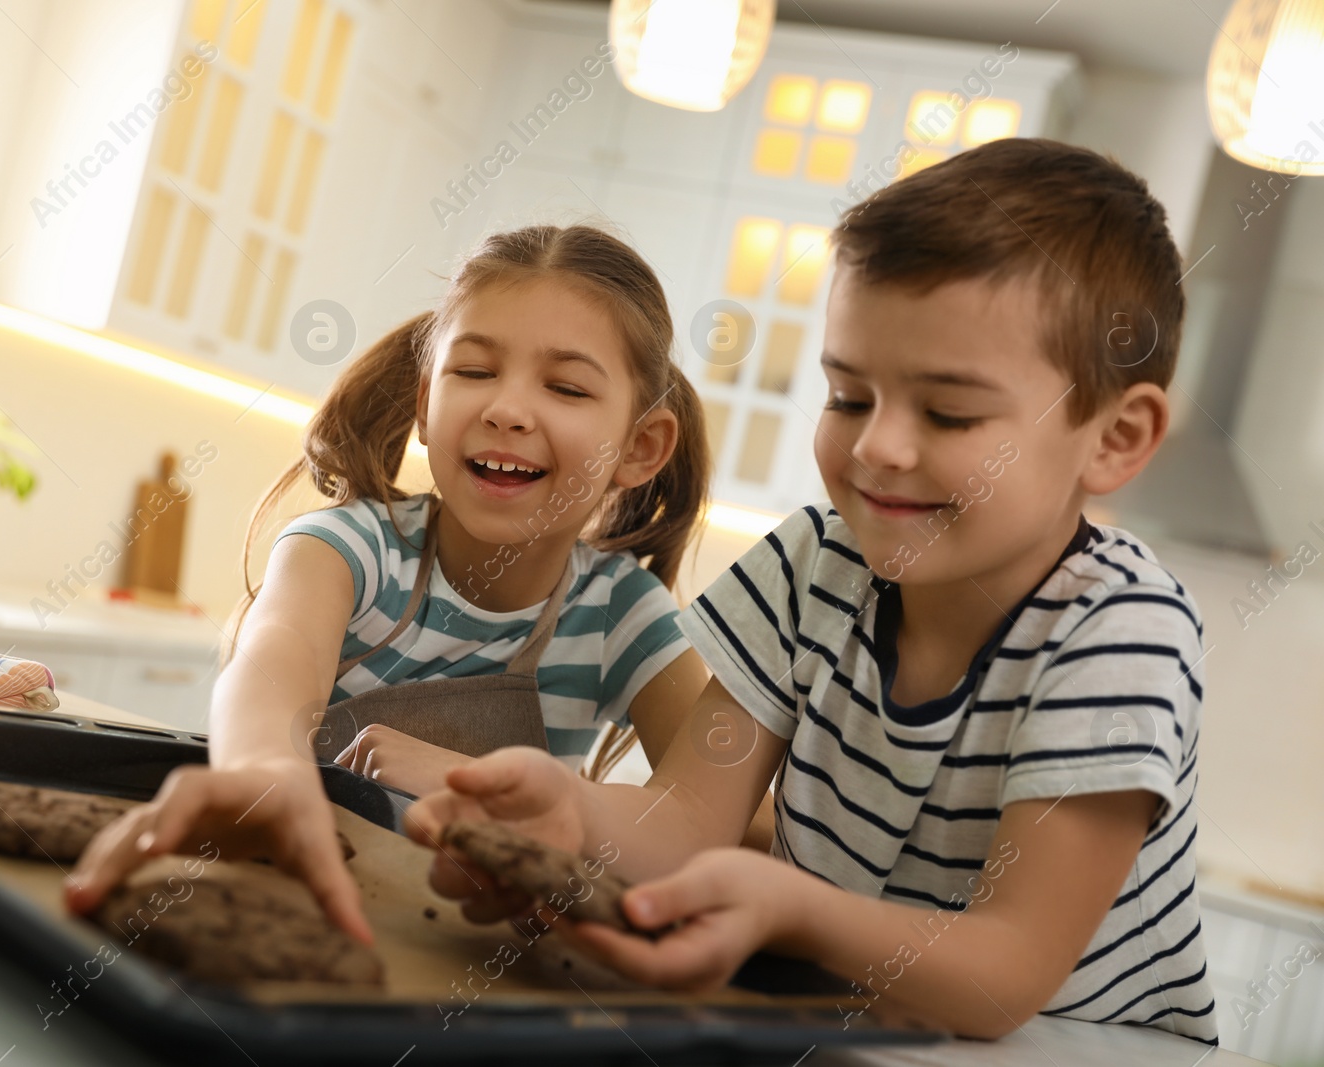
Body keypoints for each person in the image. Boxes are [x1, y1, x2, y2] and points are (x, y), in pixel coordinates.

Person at [407, 139, 1219, 1045]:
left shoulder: (1119, 631)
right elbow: (685, 821)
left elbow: (1006, 975)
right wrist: (571, 811)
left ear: (1114, 438)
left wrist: (790, 907)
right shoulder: (812, 563)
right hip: (861, 1029)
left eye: (947, 412)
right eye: (848, 397)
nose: (878, 447)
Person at [65, 224, 728, 944]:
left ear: (640, 447)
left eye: (565, 386)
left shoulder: (620, 614)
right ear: (423, 404)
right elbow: (273, 665)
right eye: (473, 371)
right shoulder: (349, 550)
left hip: (471, 953)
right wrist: (266, 772)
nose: (505, 408)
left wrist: (475, 780)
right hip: (291, 907)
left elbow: (730, 821)